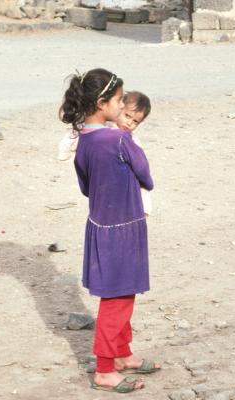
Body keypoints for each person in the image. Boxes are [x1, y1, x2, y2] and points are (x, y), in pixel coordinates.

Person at [59, 68, 160, 393]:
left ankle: (122, 354)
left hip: (101, 225)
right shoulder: (118, 139)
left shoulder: (84, 140)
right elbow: (146, 176)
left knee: (122, 292)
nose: (122, 108)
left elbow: (87, 187)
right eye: (118, 101)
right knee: (117, 299)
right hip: (123, 228)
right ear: (102, 103)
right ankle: (105, 368)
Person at [57, 90, 153, 216]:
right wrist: (64, 152)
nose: (129, 123)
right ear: (120, 108)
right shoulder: (103, 127)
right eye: (127, 116)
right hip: (102, 180)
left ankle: (143, 210)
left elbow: (141, 166)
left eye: (136, 121)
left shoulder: (132, 140)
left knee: (139, 189)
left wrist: (147, 185)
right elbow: (79, 131)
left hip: (122, 182)